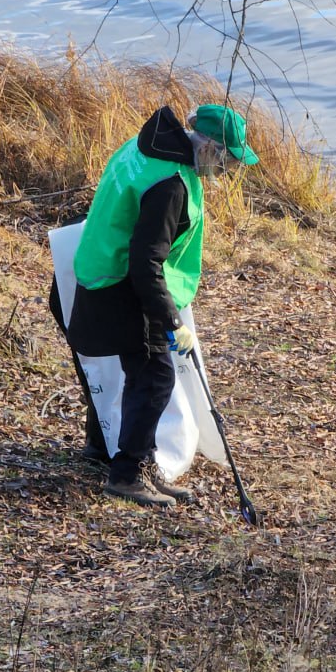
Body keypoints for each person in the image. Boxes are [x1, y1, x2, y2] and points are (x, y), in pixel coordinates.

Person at [64, 103, 259, 507]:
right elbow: (145, 261)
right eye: (228, 162)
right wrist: (171, 320)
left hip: (97, 263)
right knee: (154, 378)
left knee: (139, 372)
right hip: (117, 280)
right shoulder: (171, 184)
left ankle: (104, 450)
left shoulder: (147, 148)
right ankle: (127, 474)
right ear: (208, 149)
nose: (228, 173)